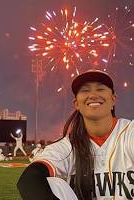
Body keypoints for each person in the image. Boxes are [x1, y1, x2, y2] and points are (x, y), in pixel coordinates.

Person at [17, 69, 134, 199]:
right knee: (53, 184)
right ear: (76, 104)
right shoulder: (68, 145)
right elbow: (30, 178)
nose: (93, 94)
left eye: (100, 89)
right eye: (85, 90)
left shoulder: (129, 132)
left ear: (113, 100)